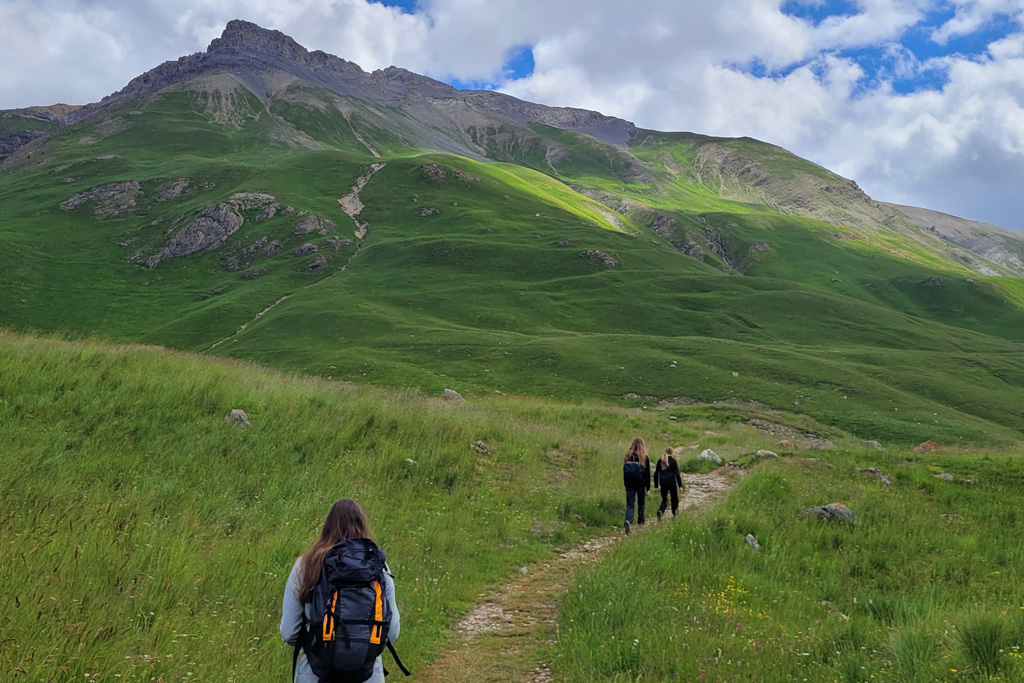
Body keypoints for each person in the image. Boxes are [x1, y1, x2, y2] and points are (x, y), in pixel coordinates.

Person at [281, 499, 400, 683]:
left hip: (315, 673)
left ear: (327, 526)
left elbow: (289, 632)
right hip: (367, 675)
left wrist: (319, 644)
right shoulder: (377, 566)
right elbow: (391, 632)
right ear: (362, 525)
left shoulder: (306, 565)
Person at [622, 437, 651, 534]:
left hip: (629, 483)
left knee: (630, 504)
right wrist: (648, 487)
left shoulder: (628, 456)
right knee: (641, 503)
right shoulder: (644, 457)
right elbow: (647, 474)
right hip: (640, 483)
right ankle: (641, 523)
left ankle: (628, 521)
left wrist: (626, 484)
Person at [654, 447, 684, 520]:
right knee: (674, 497)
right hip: (671, 481)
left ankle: (660, 511)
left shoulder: (660, 460)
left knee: (664, 499)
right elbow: (677, 474)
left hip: (662, 481)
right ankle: (674, 513)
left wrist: (656, 485)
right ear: (672, 453)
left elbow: (656, 473)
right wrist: (680, 485)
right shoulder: (673, 461)